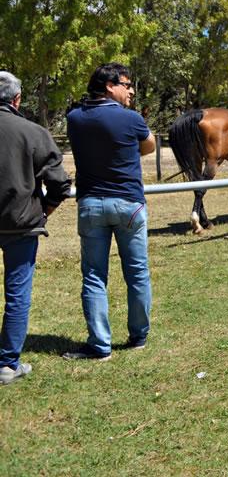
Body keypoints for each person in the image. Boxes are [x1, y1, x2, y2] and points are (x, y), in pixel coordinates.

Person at [64, 63, 156, 361]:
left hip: (90, 204)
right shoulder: (131, 119)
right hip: (128, 203)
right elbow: (149, 145)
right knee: (137, 272)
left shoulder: (74, 118)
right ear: (109, 86)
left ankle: (99, 345)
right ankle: (138, 335)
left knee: (93, 275)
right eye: (127, 85)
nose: (130, 91)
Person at [0, 72, 72, 384]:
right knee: (17, 294)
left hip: (20, 224)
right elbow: (60, 183)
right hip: (21, 225)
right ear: (16, 100)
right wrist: (44, 212)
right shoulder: (33, 132)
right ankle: (6, 364)